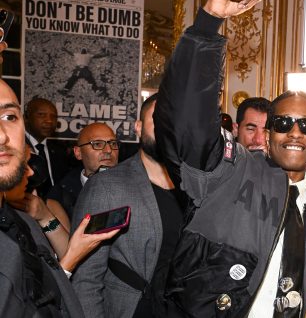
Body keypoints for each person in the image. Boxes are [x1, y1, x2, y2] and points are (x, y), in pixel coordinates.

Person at [154, 0, 306, 317]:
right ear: (269, 134)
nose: (295, 132)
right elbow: (185, 121)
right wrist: (210, 20)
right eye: (283, 123)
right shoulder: (227, 173)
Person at [0, 76, 117, 317]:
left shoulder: (22, 220)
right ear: (77, 153)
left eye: (9, 117)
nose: (2, 135)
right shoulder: (60, 193)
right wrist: (72, 257)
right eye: (97, 144)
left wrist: (48, 220)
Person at [71, 94, 184, 318]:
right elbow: (86, 277)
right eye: (158, 119)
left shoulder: (193, 187)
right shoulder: (106, 186)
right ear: (139, 128)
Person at [47, 122, 120, 224]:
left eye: (113, 143)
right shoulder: (60, 196)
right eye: (97, 144)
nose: (108, 150)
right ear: (78, 153)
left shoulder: (135, 187)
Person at [24, 97, 70, 198]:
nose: (49, 120)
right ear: (26, 117)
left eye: (53, 116)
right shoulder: (16, 148)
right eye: (41, 115)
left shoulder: (60, 151)